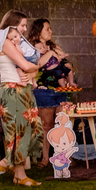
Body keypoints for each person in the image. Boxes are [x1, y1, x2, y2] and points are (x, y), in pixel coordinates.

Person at [0, 11, 44, 186]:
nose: (24, 29)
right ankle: (18, 174)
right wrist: (35, 68)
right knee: (19, 132)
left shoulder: (14, 41)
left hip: (24, 91)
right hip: (13, 92)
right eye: (21, 25)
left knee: (33, 128)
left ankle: (9, 162)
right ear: (11, 25)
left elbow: (31, 68)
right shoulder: (4, 42)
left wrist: (34, 71)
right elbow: (26, 65)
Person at [28, 18, 73, 166]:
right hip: (43, 91)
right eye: (47, 29)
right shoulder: (32, 48)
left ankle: (64, 156)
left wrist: (62, 61)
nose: (50, 31)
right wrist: (52, 54)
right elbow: (37, 64)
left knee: (62, 123)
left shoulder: (53, 46)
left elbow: (66, 62)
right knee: (46, 125)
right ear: (38, 31)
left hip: (61, 90)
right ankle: (45, 158)